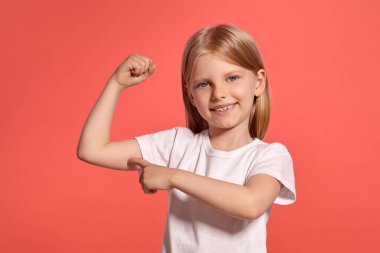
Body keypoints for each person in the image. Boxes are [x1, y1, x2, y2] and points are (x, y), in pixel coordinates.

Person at [77, 24, 296, 253]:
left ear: (259, 83)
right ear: (191, 94)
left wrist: (173, 177)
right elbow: (92, 150)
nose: (219, 93)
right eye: (204, 84)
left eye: (232, 78)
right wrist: (116, 84)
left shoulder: (270, 155)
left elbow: (251, 204)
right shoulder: (178, 145)